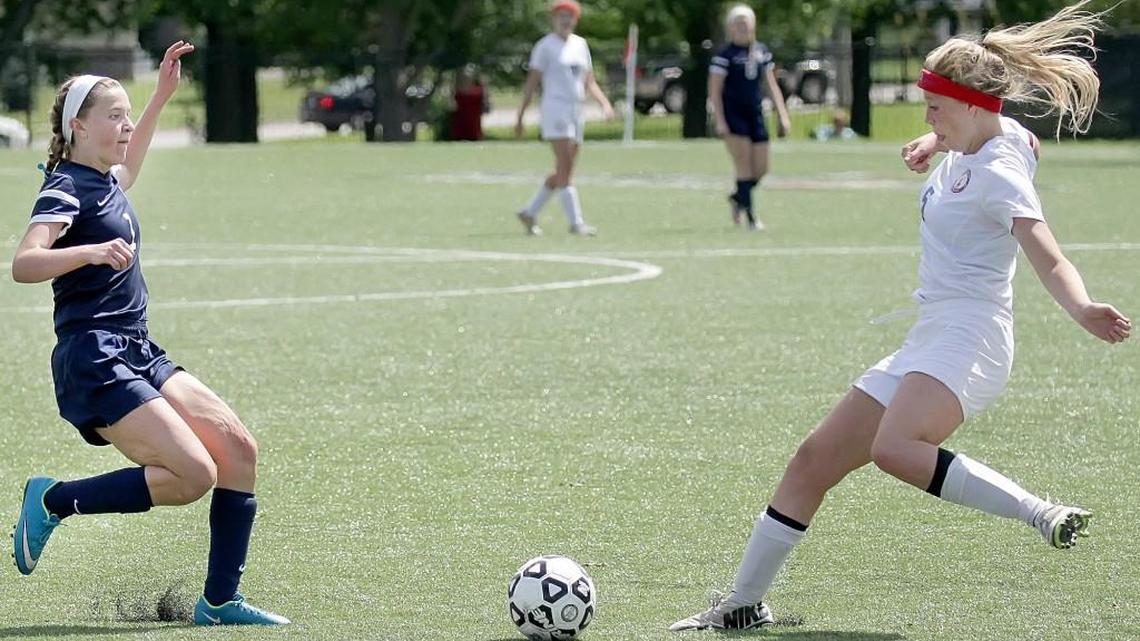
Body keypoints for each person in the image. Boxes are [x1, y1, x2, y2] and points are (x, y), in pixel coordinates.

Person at [670, 1, 1130, 631]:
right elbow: (995, 132)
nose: (926, 115)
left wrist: (1082, 308)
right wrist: (935, 140)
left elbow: (1047, 256)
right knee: (813, 460)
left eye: (934, 106)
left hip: (973, 336)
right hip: (930, 333)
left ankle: (1039, 513)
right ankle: (743, 605)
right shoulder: (988, 136)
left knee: (896, 448)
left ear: (970, 103)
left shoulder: (1000, 172)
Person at [9, 42, 288, 626]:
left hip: (137, 346)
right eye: (115, 116)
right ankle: (53, 499)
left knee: (238, 451)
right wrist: (87, 251)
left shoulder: (106, 177)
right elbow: (25, 262)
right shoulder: (65, 188)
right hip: (93, 356)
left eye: (127, 115)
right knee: (194, 476)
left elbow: (130, 165)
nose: (126, 124)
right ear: (78, 127)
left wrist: (161, 94)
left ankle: (218, 603)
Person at [514, 0, 614, 237]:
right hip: (555, 109)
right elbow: (532, 83)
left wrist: (604, 103)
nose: (565, 20)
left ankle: (529, 211)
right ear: (554, 19)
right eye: (561, 16)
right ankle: (576, 223)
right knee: (565, 168)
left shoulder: (580, 45)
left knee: (563, 170)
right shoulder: (545, 47)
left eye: (570, 16)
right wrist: (520, 115)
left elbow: (589, 81)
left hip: (576, 111)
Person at [708, 5, 791, 231]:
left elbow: (771, 86)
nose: (742, 26)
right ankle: (752, 219)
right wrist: (720, 120)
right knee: (743, 166)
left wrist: (782, 115)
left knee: (761, 169)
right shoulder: (725, 56)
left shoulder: (762, 52)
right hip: (734, 115)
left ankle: (738, 197)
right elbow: (714, 91)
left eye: (746, 21)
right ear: (730, 27)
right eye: (738, 22)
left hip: (755, 114)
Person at [451, 65, 487, 142]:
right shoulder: (457, 89)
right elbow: (452, 104)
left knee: (474, 138)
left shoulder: (478, 89)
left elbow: (484, 101)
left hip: (474, 119)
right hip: (461, 119)